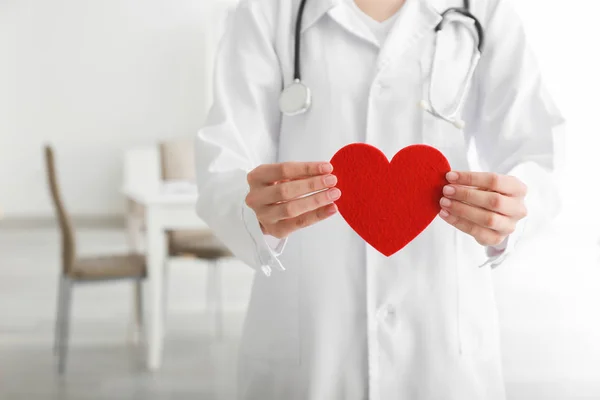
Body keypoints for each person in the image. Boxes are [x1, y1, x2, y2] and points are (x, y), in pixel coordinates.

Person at [195, 0, 563, 398]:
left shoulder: (484, 10)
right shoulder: (269, 10)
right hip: (312, 330)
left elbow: (539, 154)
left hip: (440, 330)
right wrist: (253, 210)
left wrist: (512, 210)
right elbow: (225, 156)